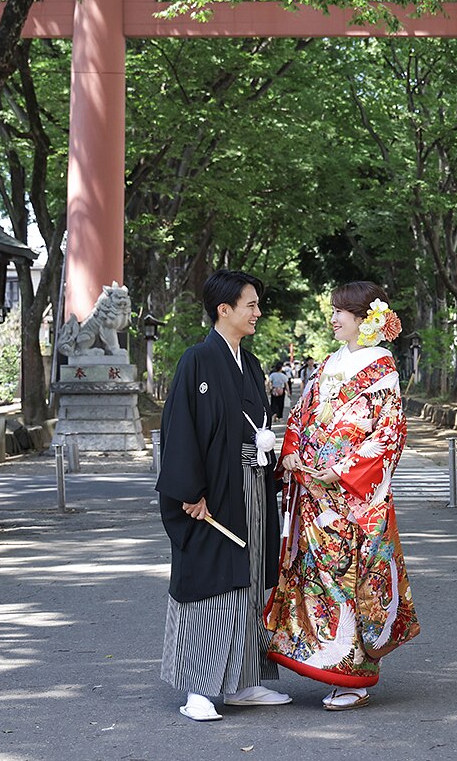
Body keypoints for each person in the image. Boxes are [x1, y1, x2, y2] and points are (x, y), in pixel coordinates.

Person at [265, 281, 420, 711]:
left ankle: (353, 677)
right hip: (315, 494)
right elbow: (300, 415)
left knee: (352, 581)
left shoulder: (382, 367)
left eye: (340, 311)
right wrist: (293, 452)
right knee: (317, 578)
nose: (333, 318)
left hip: (350, 496)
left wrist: (341, 469)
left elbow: (388, 434)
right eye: (334, 311)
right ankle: (322, 661)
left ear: (363, 318)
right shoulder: (332, 362)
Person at [157, 269, 291, 721]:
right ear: (224, 309)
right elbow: (180, 430)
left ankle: (243, 683)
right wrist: (189, 491)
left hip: (251, 485)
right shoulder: (197, 360)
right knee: (209, 582)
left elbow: (257, 427)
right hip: (211, 492)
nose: (258, 312)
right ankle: (198, 688)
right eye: (251, 305)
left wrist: (269, 450)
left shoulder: (250, 365)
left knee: (250, 579)